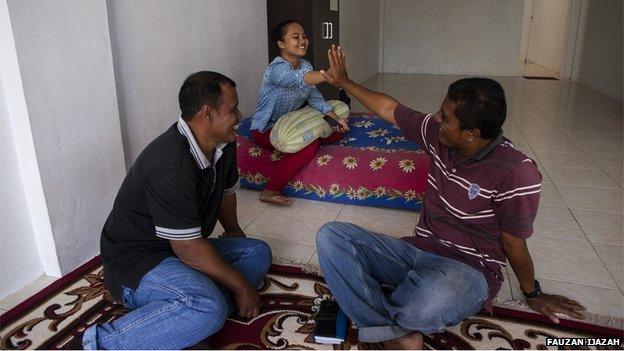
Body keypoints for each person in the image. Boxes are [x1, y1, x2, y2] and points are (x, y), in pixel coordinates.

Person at [316, 46, 586, 349]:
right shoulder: (438, 135)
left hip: (467, 270)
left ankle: (382, 313)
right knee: (331, 237)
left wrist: (532, 293)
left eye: (445, 118)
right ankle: (396, 329)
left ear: (471, 133)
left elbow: (514, 243)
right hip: (415, 252)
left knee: (426, 303)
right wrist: (345, 84)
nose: (435, 118)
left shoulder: (517, 173)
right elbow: (390, 109)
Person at [82, 72, 272, 350]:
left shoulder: (224, 143)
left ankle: (185, 320)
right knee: (210, 305)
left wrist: (233, 232)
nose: (240, 115)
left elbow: (225, 194)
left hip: (179, 249)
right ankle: (97, 344)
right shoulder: (170, 166)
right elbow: (188, 249)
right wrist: (242, 286)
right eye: (232, 110)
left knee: (257, 253)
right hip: (137, 263)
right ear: (208, 114)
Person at [250, 20, 349, 206]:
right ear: (281, 44)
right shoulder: (276, 69)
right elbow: (300, 80)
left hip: (292, 123)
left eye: (304, 36)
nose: (303, 40)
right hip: (267, 129)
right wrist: (328, 74)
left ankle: (325, 132)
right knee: (308, 145)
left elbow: (314, 97)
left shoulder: (305, 65)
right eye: (295, 37)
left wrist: (335, 119)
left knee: (336, 133)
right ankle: (270, 190)